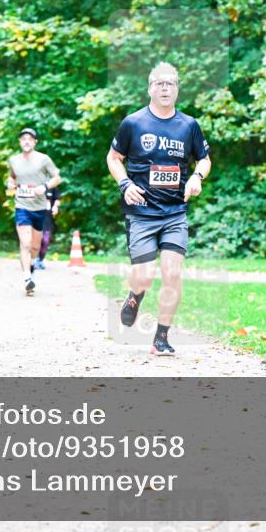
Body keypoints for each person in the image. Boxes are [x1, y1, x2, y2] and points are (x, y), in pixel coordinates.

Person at [106, 62, 211, 356]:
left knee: (172, 272)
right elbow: (113, 158)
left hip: (175, 212)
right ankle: (134, 295)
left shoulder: (189, 125)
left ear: (177, 89)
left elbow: (204, 159)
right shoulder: (133, 123)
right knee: (144, 275)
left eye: (171, 83)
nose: (165, 88)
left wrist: (196, 177)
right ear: (150, 88)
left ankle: (161, 338)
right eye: (160, 83)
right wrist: (125, 184)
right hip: (141, 212)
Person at [7, 128, 62, 295]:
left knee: (35, 247)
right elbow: (12, 177)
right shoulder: (13, 160)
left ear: (35, 142)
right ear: (19, 142)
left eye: (30, 139)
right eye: (23, 138)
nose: (26, 141)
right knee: (25, 243)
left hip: (39, 208)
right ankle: (26, 278)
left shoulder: (43, 159)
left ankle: (30, 273)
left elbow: (57, 177)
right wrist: (10, 183)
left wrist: (44, 187)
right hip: (22, 206)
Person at [34, 185, 60, 270]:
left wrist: (55, 206)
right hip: (34, 216)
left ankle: (41, 259)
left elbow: (57, 198)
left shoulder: (51, 185)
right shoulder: (34, 182)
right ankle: (34, 259)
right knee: (35, 239)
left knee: (45, 240)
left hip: (47, 218)